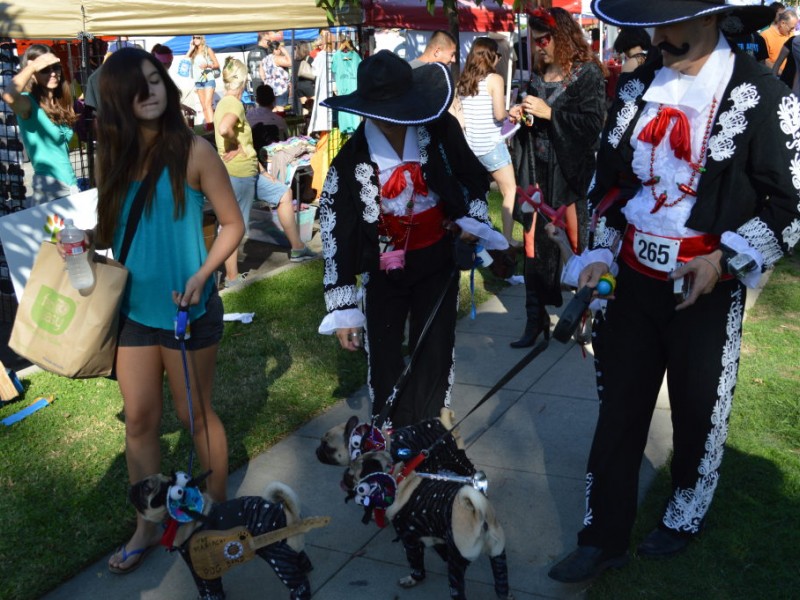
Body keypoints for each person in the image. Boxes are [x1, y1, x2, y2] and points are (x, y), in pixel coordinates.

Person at [548, 0, 799, 583]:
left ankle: (685, 513)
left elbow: (790, 205)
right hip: (633, 276)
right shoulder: (637, 84)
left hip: (707, 283)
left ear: (712, 18)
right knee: (620, 408)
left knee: (697, 408)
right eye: (654, 22)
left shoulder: (761, 94)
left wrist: (725, 260)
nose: (657, 35)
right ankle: (601, 535)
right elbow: (608, 183)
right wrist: (599, 254)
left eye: (671, 22)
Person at [77, 47, 244, 575]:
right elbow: (110, 234)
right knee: (140, 422)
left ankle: (216, 514)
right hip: (135, 314)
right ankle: (148, 524)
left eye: (156, 81)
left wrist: (203, 275)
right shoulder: (114, 156)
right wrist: (76, 242)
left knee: (195, 416)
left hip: (187, 311)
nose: (150, 92)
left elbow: (234, 224)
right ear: (118, 100)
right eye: (138, 86)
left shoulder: (193, 151)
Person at [317, 50, 506, 428]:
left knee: (434, 352)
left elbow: (473, 178)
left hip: (437, 260)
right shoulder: (352, 157)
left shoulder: (439, 131)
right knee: (385, 358)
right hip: (383, 271)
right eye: (381, 113)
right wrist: (342, 307)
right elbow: (334, 228)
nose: (391, 122)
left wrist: (472, 221)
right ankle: (391, 440)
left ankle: (427, 433)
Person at [509, 6, 607, 348]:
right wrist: (521, 116)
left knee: (576, 251)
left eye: (544, 40)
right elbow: (533, 129)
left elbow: (594, 126)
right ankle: (534, 321)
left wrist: (551, 113)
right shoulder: (536, 76)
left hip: (570, 180)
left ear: (562, 38)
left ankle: (583, 318)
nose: (538, 47)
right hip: (537, 176)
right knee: (534, 252)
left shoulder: (588, 74)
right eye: (534, 41)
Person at [214, 57, 317, 289]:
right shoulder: (233, 104)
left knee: (283, 194)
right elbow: (224, 129)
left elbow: (245, 141)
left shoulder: (224, 103)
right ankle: (232, 278)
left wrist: (262, 169)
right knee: (234, 225)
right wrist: (234, 144)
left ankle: (298, 248)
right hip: (239, 173)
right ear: (243, 81)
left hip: (249, 170)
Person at [458, 36, 520, 247]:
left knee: (475, 194)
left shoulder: (463, 81)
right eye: (498, 55)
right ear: (491, 56)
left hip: (470, 147)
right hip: (491, 145)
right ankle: (508, 238)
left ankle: (472, 236)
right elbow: (500, 114)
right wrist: (511, 110)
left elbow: (463, 120)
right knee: (509, 190)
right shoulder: (495, 79)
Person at [2, 44, 78, 206]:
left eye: (55, 67)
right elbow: (8, 95)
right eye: (45, 69)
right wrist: (34, 66)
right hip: (49, 190)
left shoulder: (60, 102)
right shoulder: (28, 103)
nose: (52, 73)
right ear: (33, 74)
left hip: (70, 185)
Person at [187, 34, 219, 128]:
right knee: (203, 106)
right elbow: (185, 61)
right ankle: (209, 126)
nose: (195, 39)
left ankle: (213, 127)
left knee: (208, 104)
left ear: (201, 38)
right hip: (198, 81)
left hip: (208, 79)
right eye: (194, 37)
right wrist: (190, 48)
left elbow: (217, 64)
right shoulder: (193, 51)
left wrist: (208, 66)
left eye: (197, 37)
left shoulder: (207, 49)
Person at [260, 39, 291, 109]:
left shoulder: (264, 60)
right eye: (279, 49)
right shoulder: (276, 58)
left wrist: (266, 81)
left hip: (270, 88)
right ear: (275, 50)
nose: (280, 51)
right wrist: (285, 52)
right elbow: (290, 63)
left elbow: (261, 73)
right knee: (280, 108)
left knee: (273, 108)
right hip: (280, 87)